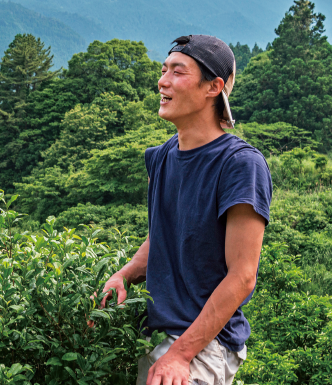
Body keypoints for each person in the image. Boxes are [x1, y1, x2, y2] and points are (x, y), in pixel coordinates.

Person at [97, 35, 272, 385]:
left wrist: (181, 355)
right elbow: (161, 237)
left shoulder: (240, 165)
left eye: (178, 72)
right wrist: (124, 274)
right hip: (154, 334)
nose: (163, 81)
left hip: (203, 345)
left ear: (213, 87)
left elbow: (242, 276)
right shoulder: (161, 157)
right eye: (164, 70)